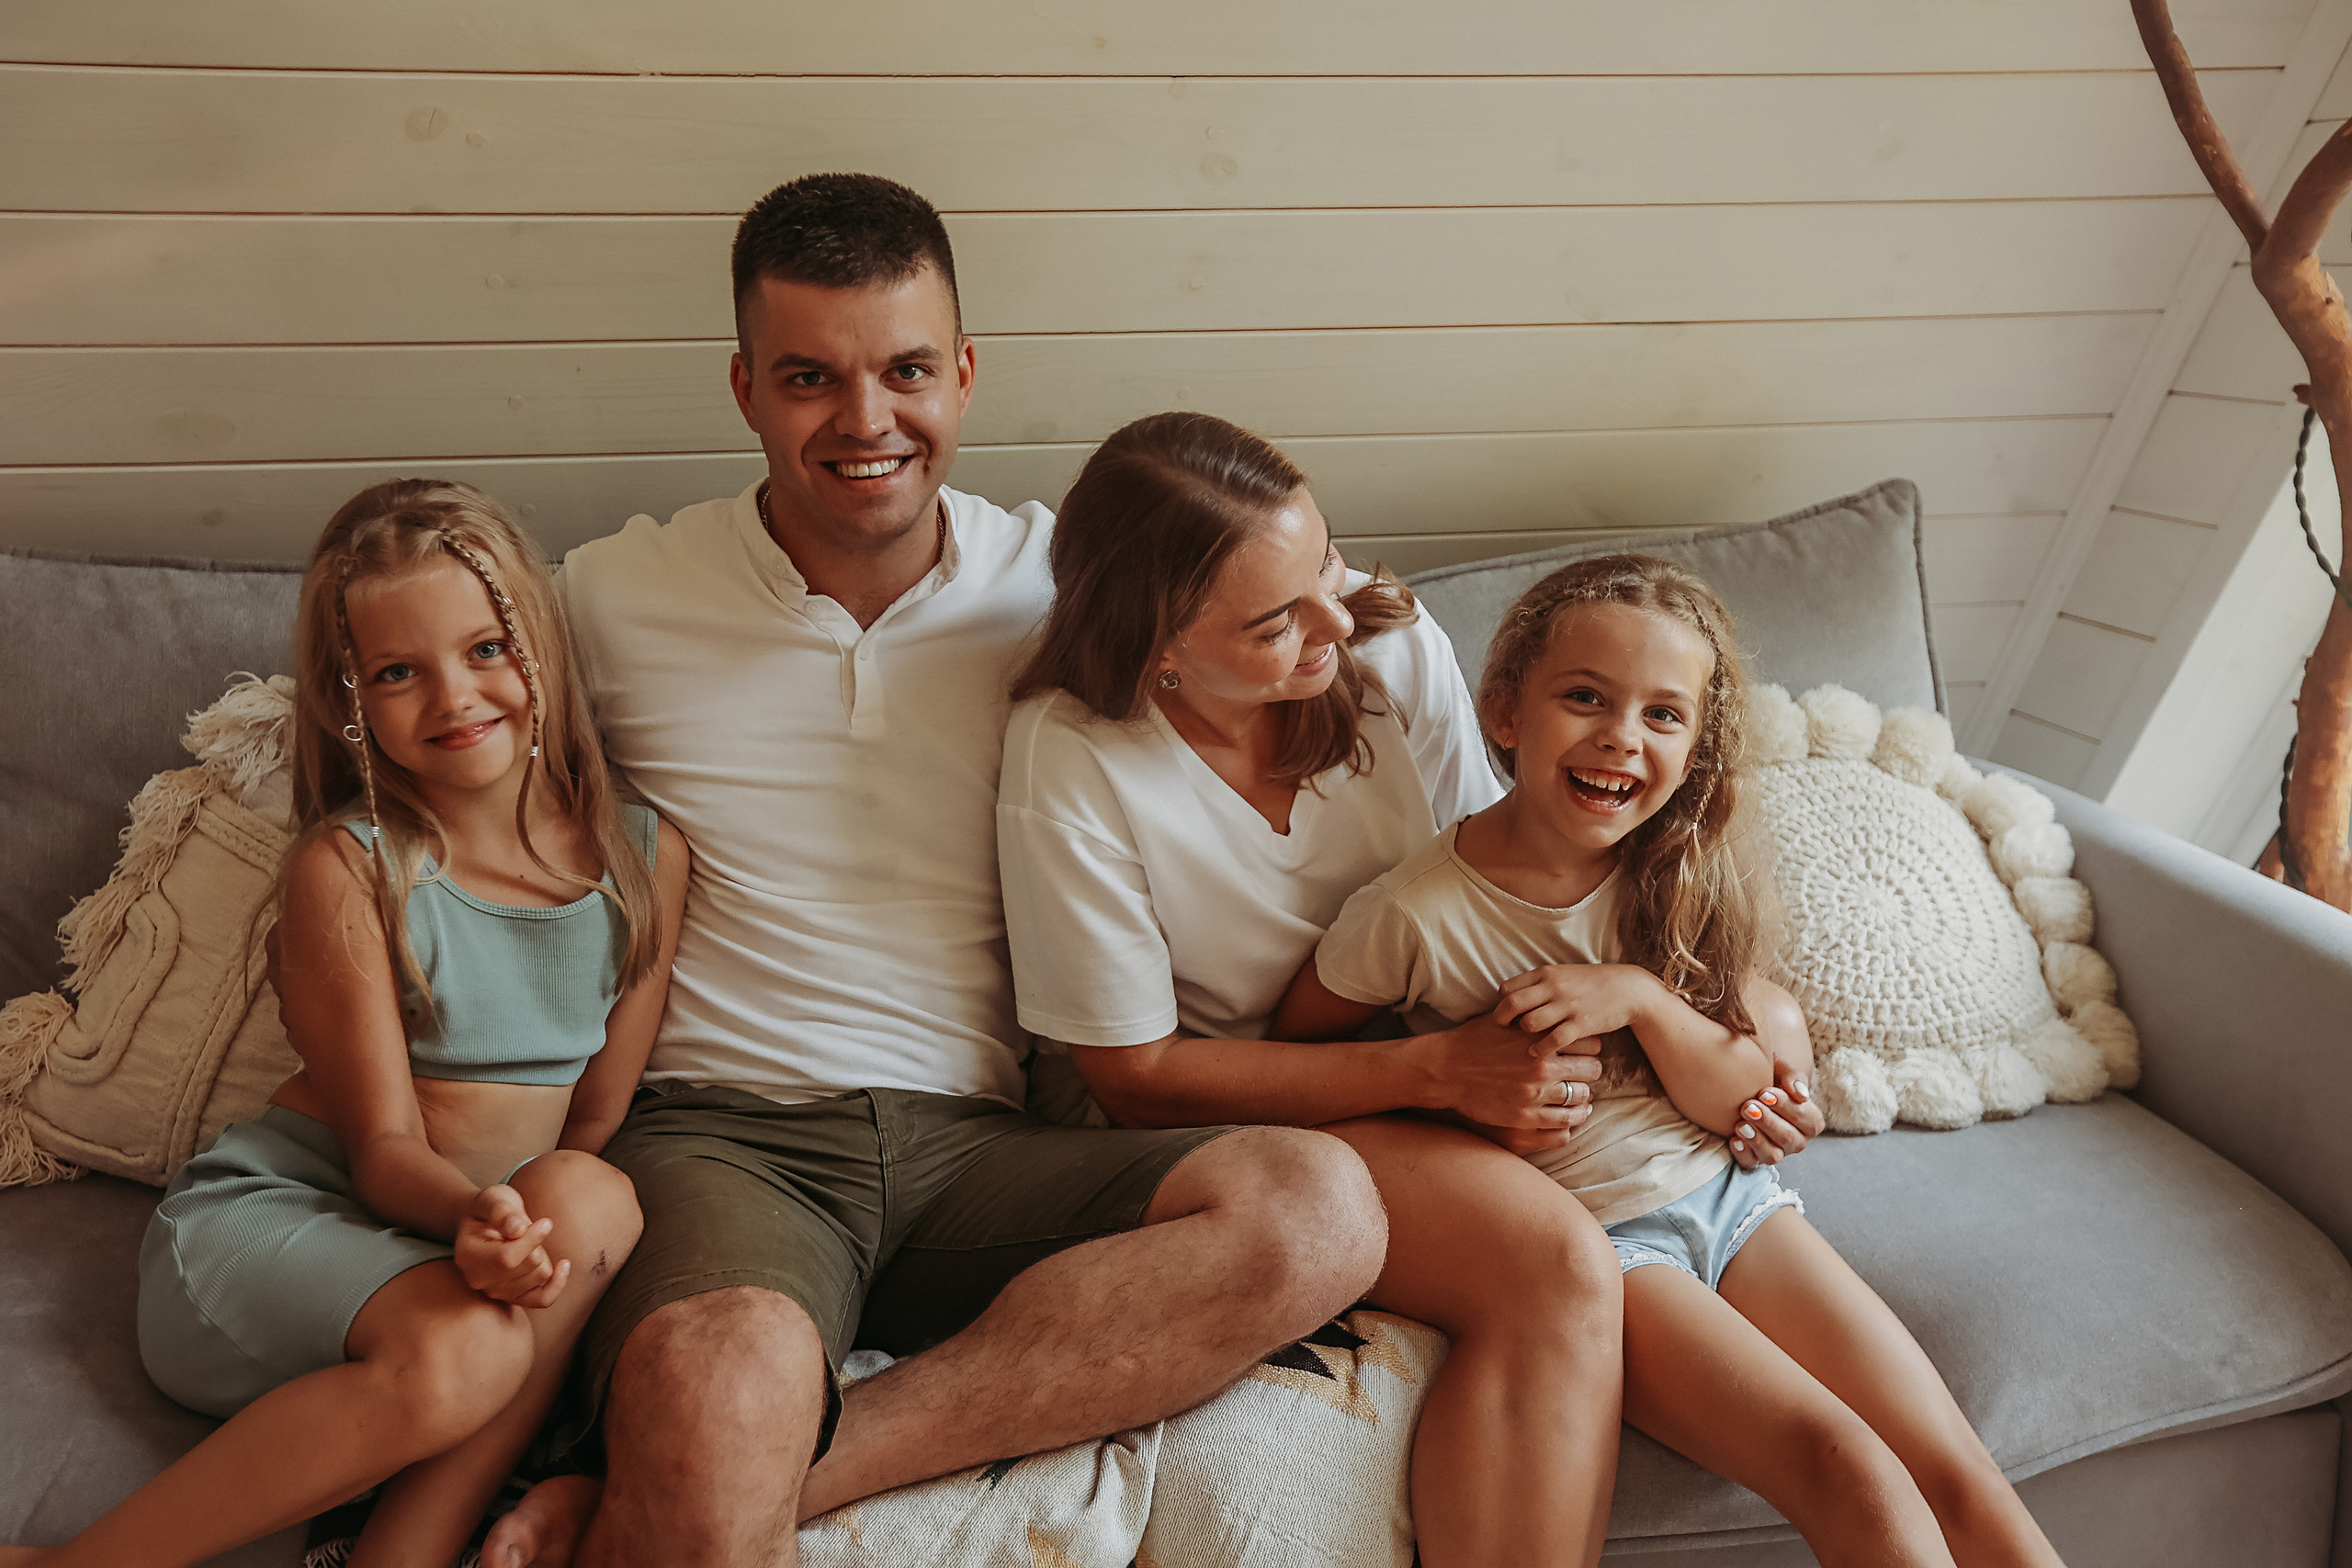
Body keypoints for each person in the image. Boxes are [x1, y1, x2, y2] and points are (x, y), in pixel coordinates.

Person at [484, 175, 1386, 1568]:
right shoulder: (610, 596)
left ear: (963, 375)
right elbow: (437, 783)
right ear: (744, 389)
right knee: (728, 1368)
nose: (865, 420)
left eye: (907, 369)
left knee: (1317, 1210)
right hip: (731, 1139)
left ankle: (744, 1473)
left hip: (987, 1145)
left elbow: (1324, 635)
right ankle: (719, 1439)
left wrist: (1695, 972)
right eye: (809, 377)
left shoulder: (1071, 591)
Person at [997, 412, 1780, 1566]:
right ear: (1159, 641)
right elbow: (1130, 1080)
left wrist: (1757, 1018)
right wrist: (1435, 1073)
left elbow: (1529, 858)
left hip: (1418, 1069)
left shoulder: (1379, 643)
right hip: (1206, 1110)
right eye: (1277, 621)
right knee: (1555, 1258)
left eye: (1324, 562)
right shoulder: (1070, 760)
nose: (1338, 619)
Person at [1275, 554, 2064, 1568]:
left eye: (1662, 716)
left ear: (1694, 748)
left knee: (1954, 1468)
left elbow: (1742, 1093)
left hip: (1736, 1203)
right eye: (1586, 698)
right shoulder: (1414, 913)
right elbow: (1299, 1069)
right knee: (1847, 1465)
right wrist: (1452, 1091)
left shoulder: (1677, 871)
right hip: (1608, 1245)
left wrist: (1639, 998)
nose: (1620, 737)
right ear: (1503, 712)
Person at [0, 480, 688, 1568]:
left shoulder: (642, 859)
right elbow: (378, 1151)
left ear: (541, 648)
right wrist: (475, 1217)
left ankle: (404, 1548)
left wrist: (511, 1242)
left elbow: (593, 1124)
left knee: (597, 1195)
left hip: (459, 1265)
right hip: (281, 1229)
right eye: (399, 672)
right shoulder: (349, 866)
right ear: (351, 698)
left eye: (484, 649)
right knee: (466, 1346)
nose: (455, 697)